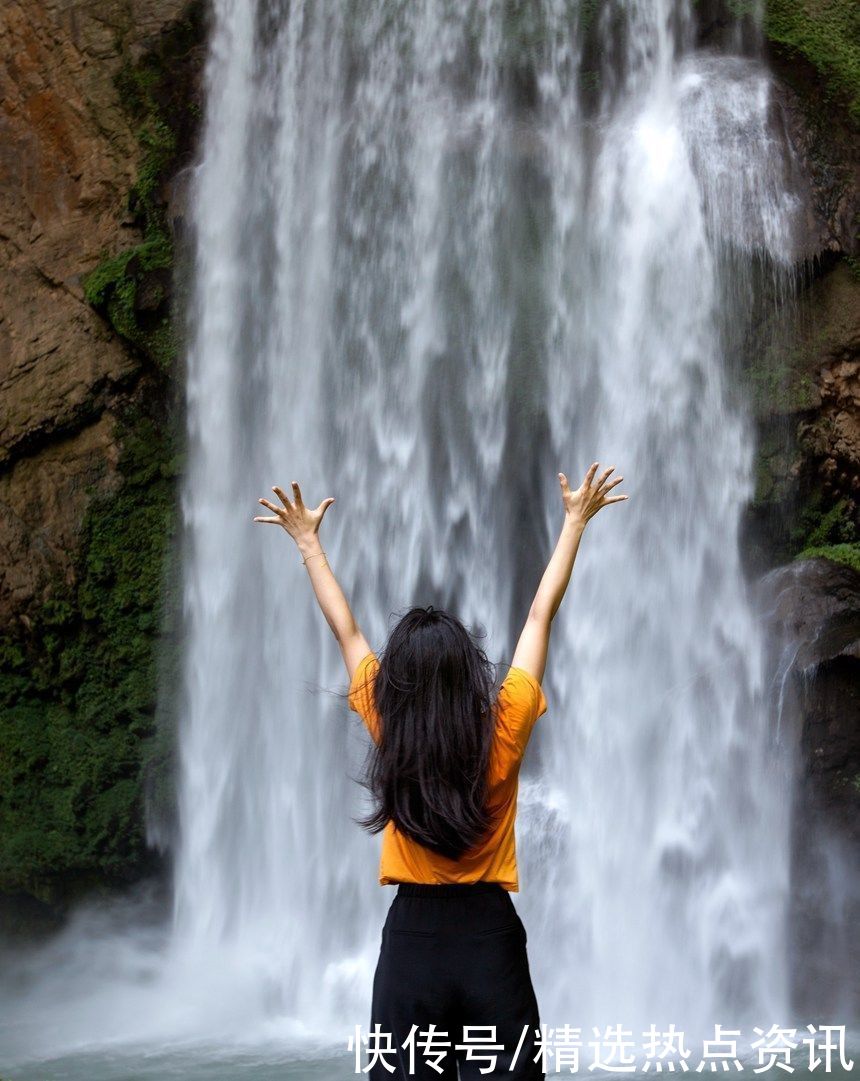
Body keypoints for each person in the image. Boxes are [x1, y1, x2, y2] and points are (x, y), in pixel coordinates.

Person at [253, 463, 627, 1079]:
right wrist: (574, 523)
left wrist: (309, 545)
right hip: (490, 940)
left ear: (399, 678)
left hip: (413, 941)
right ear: (469, 672)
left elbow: (346, 632)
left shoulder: (388, 723)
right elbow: (540, 618)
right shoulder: (504, 727)